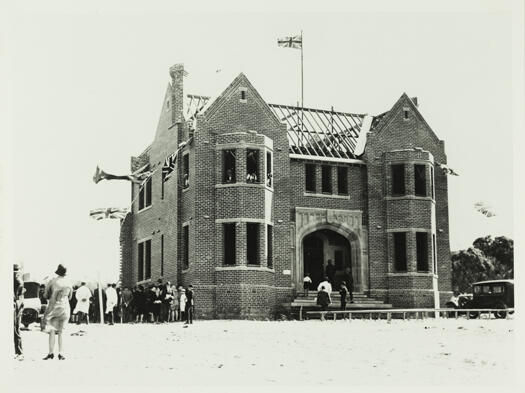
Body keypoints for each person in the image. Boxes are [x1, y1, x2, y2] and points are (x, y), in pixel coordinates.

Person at [43, 264, 73, 360]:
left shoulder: (52, 281)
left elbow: (46, 295)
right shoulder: (69, 283)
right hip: (65, 308)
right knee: (61, 332)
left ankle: (51, 353)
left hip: (53, 308)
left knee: (52, 330)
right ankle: (61, 354)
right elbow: (70, 297)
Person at [14, 264, 24, 360]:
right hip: (18, 305)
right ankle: (19, 351)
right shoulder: (19, 278)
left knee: (15, 329)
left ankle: (19, 351)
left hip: (16, 305)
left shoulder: (16, 278)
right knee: (16, 329)